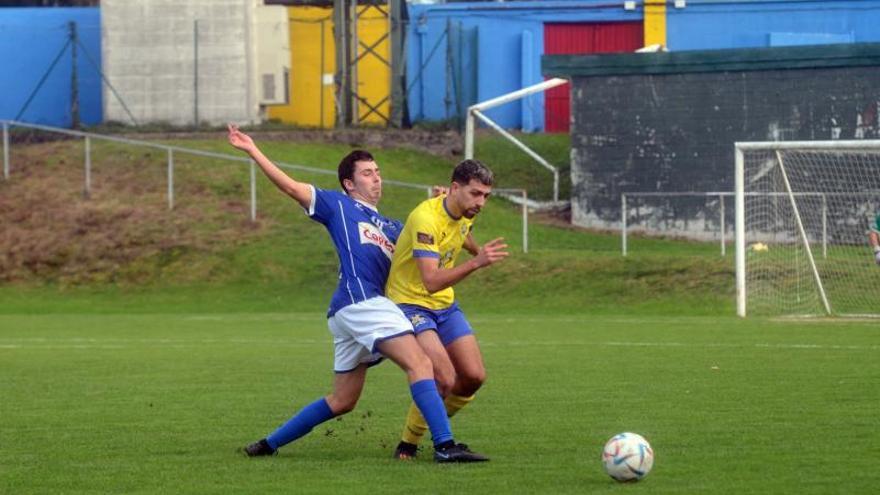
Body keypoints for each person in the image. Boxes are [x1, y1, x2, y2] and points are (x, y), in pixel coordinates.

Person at [226, 124, 486, 463]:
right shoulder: (337, 205)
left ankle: (268, 444)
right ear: (350, 184)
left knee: (342, 400)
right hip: (362, 301)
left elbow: (439, 233)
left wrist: (443, 203)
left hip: (350, 312)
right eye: (367, 173)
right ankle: (444, 446)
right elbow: (290, 187)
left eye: (377, 172)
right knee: (421, 363)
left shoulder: (393, 226)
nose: (376, 178)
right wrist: (253, 150)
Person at [384, 159, 508, 460]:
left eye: (486, 196)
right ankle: (412, 444)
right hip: (411, 302)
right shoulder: (425, 219)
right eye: (475, 194)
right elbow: (429, 281)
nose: (481, 202)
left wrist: (476, 249)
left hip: (445, 305)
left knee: (474, 377)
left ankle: (431, 431)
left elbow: (460, 231)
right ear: (455, 188)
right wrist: (476, 263)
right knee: (444, 378)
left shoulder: (463, 209)